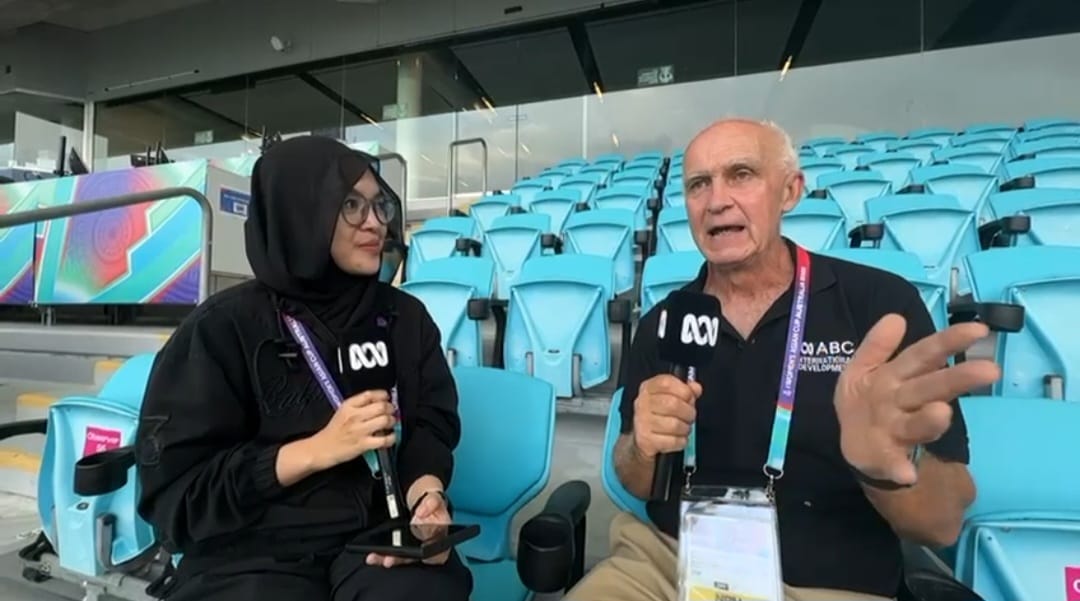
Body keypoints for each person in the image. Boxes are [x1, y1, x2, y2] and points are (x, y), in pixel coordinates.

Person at [567, 119, 999, 601]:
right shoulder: (666, 321)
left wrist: (883, 464)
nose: (716, 200)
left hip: (828, 583)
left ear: (790, 191)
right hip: (670, 562)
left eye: (741, 174)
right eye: (698, 184)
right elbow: (639, 482)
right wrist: (641, 448)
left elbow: (941, 524)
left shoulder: (879, 307)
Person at [134, 136, 473, 601]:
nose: (375, 222)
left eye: (379, 205)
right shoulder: (220, 328)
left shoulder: (405, 318)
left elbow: (430, 429)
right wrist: (317, 450)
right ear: (300, 212)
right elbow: (180, 499)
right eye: (350, 205)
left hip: (378, 538)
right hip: (250, 552)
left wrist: (426, 500)